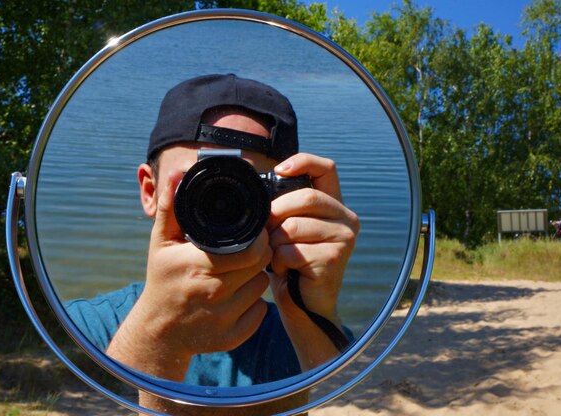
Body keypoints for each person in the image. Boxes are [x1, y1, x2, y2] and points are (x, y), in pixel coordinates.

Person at [66, 74, 360, 412]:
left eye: (244, 188)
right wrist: (157, 338)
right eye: (198, 183)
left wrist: (313, 313)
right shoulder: (84, 328)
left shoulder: (303, 333)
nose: (220, 207)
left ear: (290, 199)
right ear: (150, 191)